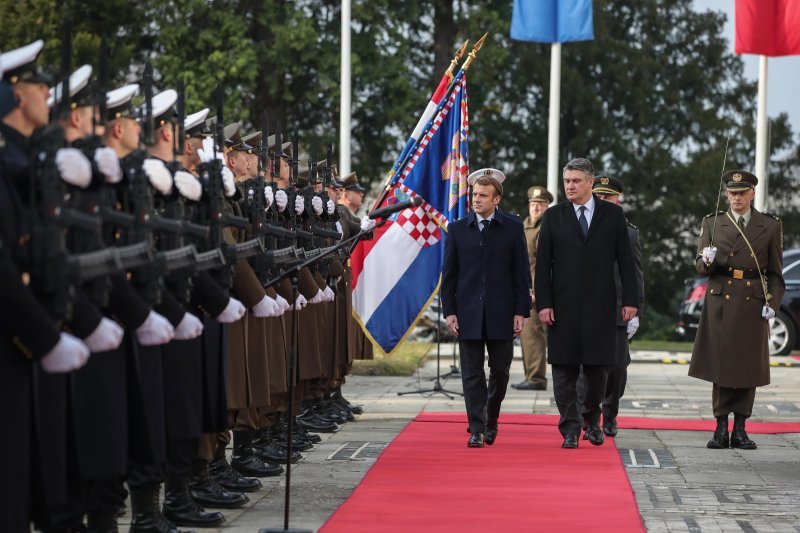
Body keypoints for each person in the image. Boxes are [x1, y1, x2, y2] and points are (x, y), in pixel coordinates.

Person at [534, 158, 638, 449]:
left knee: (597, 372)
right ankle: (570, 427)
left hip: (601, 306)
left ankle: (592, 420)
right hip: (563, 306)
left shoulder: (612, 216)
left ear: (591, 181)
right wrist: (544, 303)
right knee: (564, 371)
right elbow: (543, 266)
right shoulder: (554, 216)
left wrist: (630, 301)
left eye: (576, 181)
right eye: (567, 181)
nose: (570, 186)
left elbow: (626, 263)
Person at [689, 170, 784, 450]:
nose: (736, 197)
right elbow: (700, 267)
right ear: (726, 194)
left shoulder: (769, 225)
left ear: (752, 193)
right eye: (732, 193)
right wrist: (706, 260)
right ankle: (720, 427)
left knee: (747, 366)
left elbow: (776, 273)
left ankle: (740, 428)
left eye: (742, 192)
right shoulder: (713, 223)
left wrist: (773, 304)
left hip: (753, 301)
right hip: (722, 299)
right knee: (721, 365)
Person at [442, 168, 530, 448]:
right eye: (474, 195)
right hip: (467, 312)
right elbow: (450, 275)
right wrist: (450, 311)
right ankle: (476, 428)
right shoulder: (457, 229)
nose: (476, 200)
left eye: (482, 195)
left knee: (500, 371)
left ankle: (491, 418)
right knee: (471, 374)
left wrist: (521, 310)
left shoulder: (513, 228)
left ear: (497, 199)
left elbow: (521, 274)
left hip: (502, 312)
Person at [577, 175, 645, 438]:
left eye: (608, 197)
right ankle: (587, 416)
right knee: (586, 367)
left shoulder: (629, 231)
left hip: (618, 308)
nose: (602, 200)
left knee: (617, 366)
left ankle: (611, 413)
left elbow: (636, 275)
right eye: (599, 196)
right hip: (587, 307)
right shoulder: (581, 225)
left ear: (618, 200)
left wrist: (636, 311)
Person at [512, 185, 553, 391]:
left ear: (547, 207)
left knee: (533, 334)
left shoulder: (545, 228)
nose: (535, 208)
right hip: (521, 288)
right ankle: (531, 375)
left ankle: (536, 378)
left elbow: (543, 264)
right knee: (526, 335)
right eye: (533, 204)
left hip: (534, 291)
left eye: (540, 205)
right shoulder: (524, 225)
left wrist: (536, 291)